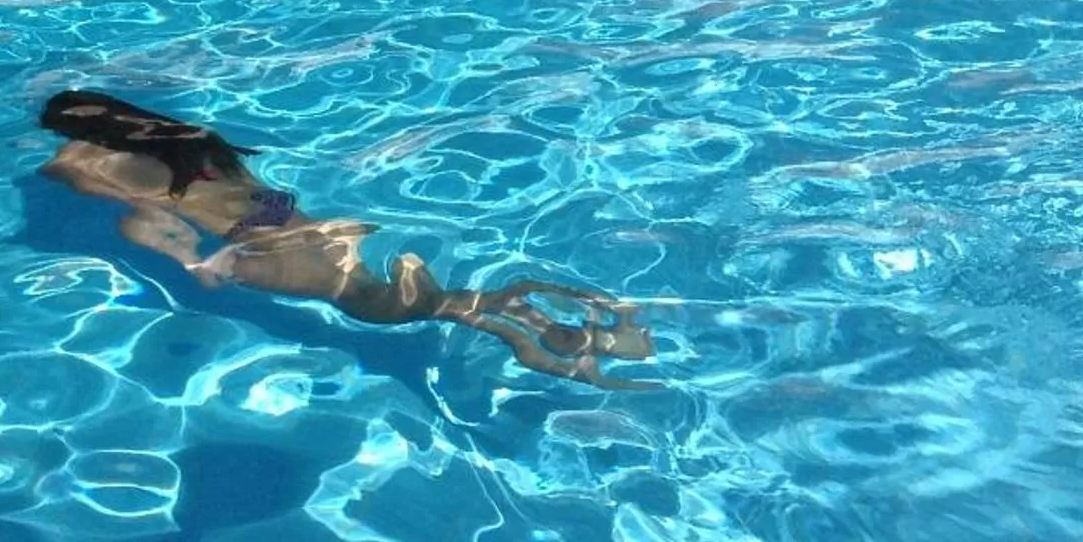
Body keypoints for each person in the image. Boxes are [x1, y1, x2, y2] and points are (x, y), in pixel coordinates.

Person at [38, 90, 655, 388]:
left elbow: (143, 222)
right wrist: (250, 237)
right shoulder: (196, 143)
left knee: (443, 306)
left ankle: (577, 356)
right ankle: (587, 339)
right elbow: (263, 202)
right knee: (457, 305)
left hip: (283, 256)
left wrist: (197, 260)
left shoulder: (83, 167)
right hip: (308, 230)